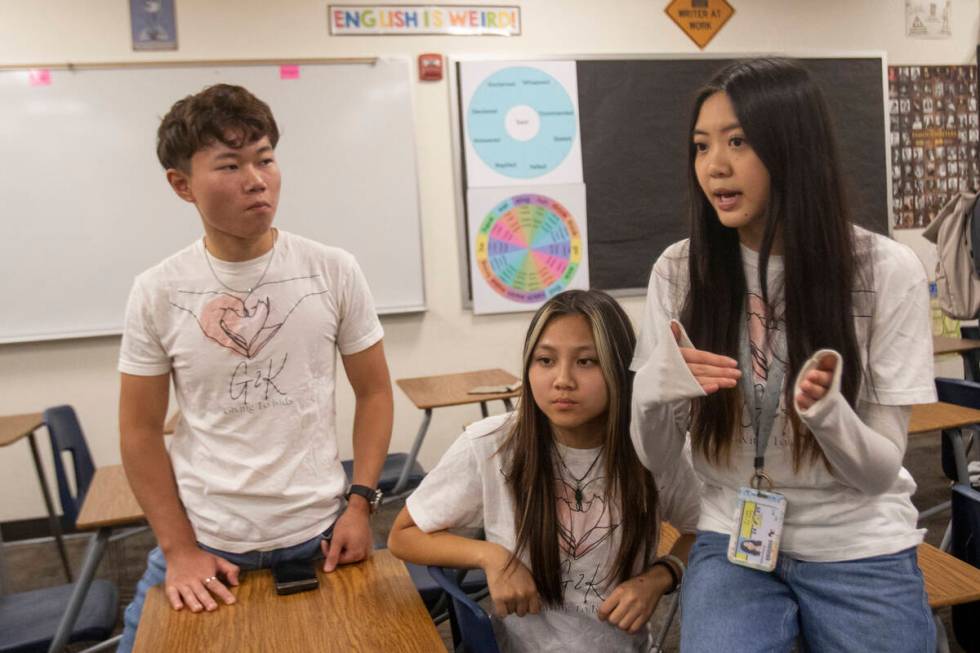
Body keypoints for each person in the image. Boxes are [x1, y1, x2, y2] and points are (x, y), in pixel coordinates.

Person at [630, 57, 936, 651]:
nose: (714, 166)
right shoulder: (678, 271)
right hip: (732, 535)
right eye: (701, 146)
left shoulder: (885, 270)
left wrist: (828, 416)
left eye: (738, 142)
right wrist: (649, 393)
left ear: (794, 148)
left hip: (856, 542)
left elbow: (877, 473)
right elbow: (659, 460)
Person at [117, 84, 393, 651]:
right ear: (181, 185)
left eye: (265, 158)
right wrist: (178, 552)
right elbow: (139, 429)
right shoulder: (158, 291)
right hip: (209, 543)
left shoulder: (332, 269)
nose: (256, 179)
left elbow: (375, 392)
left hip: (323, 537)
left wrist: (361, 504)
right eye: (230, 165)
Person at [389, 289, 699, 652]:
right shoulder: (491, 445)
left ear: (619, 367)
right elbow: (402, 535)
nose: (562, 380)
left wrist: (662, 576)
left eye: (586, 362)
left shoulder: (656, 447)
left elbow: (708, 529)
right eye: (545, 360)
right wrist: (492, 557)